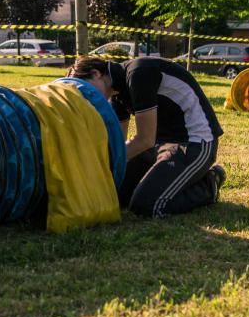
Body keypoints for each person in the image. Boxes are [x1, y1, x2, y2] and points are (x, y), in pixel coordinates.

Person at [68, 56, 226, 218]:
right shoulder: (115, 91)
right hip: (159, 145)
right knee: (115, 194)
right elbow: (119, 145)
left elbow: (144, 139)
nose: (86, 97)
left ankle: (208, 184)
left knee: (147, 205)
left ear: (96, 73)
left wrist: (102, 163)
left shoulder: (139, 73)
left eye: (84, 89)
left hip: (194, 142)